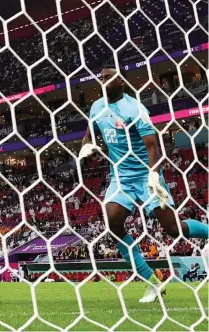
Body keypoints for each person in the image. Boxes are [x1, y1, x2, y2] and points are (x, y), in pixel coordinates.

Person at [78, 65, 208, 303]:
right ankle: (153, 282)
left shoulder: (134, 108)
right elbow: (89, 134)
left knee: (172, 228)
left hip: (144, 174)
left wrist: (153, 175)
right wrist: (87, 145)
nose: (104, 80)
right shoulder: (97, 107)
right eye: (102, 77)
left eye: (109, 77)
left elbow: (152, 146)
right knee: (112, 223)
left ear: (121, 82)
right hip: (120, 176)